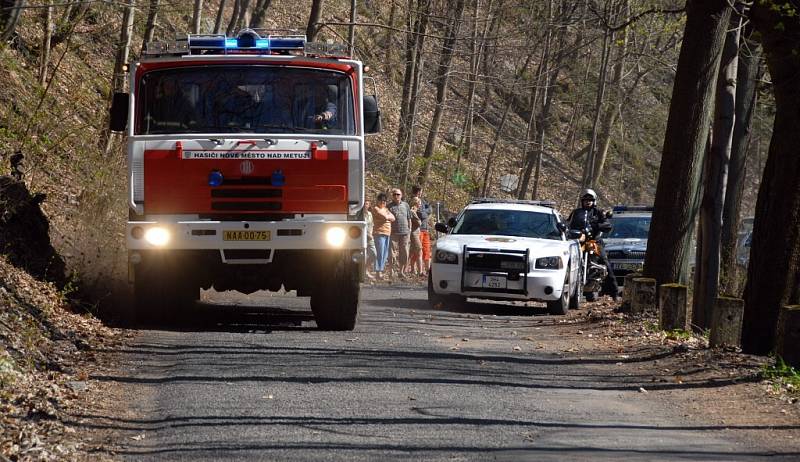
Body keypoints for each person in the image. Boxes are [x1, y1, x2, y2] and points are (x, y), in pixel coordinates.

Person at [567, 188, 620, 301]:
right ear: (582, 201)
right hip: (578, 242)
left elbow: (607, 226)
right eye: (585, 199)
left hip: (594, 242)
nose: (588, 201)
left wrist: (596, 225)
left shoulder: (598, 212)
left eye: (590, 199)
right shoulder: (576, 212)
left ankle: (614, 292)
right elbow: (568, 224)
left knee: (605, 263)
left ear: (594, 201)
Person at [388, 188, 412, 280]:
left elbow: (409, 218)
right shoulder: (389, 206)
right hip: (393, 233)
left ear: (401, 195)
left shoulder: (406, 205)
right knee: (391, 253)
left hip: (405, 233)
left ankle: (401, 271)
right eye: (394, 194)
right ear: (392, 196)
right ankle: (391, 271)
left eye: (398, 194)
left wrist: (409, 229)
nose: (396, 196)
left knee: (404, 253)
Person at [371, 193, 395, 281]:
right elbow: (384, 217)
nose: (383, 202)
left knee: (385, 253)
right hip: (379, 233)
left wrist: (388, 217)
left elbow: (393, 218)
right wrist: (388, 218)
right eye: (381, 200)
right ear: (378, 201)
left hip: (387, 233)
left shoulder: (386, 209)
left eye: (384, 201)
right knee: (379, 252)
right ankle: (378, 272)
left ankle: (380, 271)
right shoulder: (376, 208)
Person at [411, 185, 432, 275]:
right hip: (417, 230)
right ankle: (414, 268)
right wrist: (425, 213)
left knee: (427, 250)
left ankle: (428, 270)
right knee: (417, 250)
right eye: (418, 191)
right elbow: (421, 214)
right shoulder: (413, 201)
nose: (419, 193)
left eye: (420, 191)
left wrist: (425, 213)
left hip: (425, 229)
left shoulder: (423, 201)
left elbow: (430, 210)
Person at [407, 197, 424, 278]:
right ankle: (420, 271)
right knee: (419, 251)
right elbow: (419, 223)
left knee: (411, 253)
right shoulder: (412, 211)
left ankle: (412, 269)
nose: (420, 204)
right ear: (415, 203)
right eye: (419, 202)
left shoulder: (415, 211)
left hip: (416, 233)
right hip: (414, 234)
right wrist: (417, 216)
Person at [362, 199, 377, 281]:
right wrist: (367, 234)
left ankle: (365, 269)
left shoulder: (370, 214)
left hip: (370, 237)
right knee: (363, 255)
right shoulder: (359, 215)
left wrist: (371, 234)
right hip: (362, 237)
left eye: (367, 204)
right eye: (364, 203)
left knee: (374, 254)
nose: (365, 205)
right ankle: (364, 272)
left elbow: (372, 225)